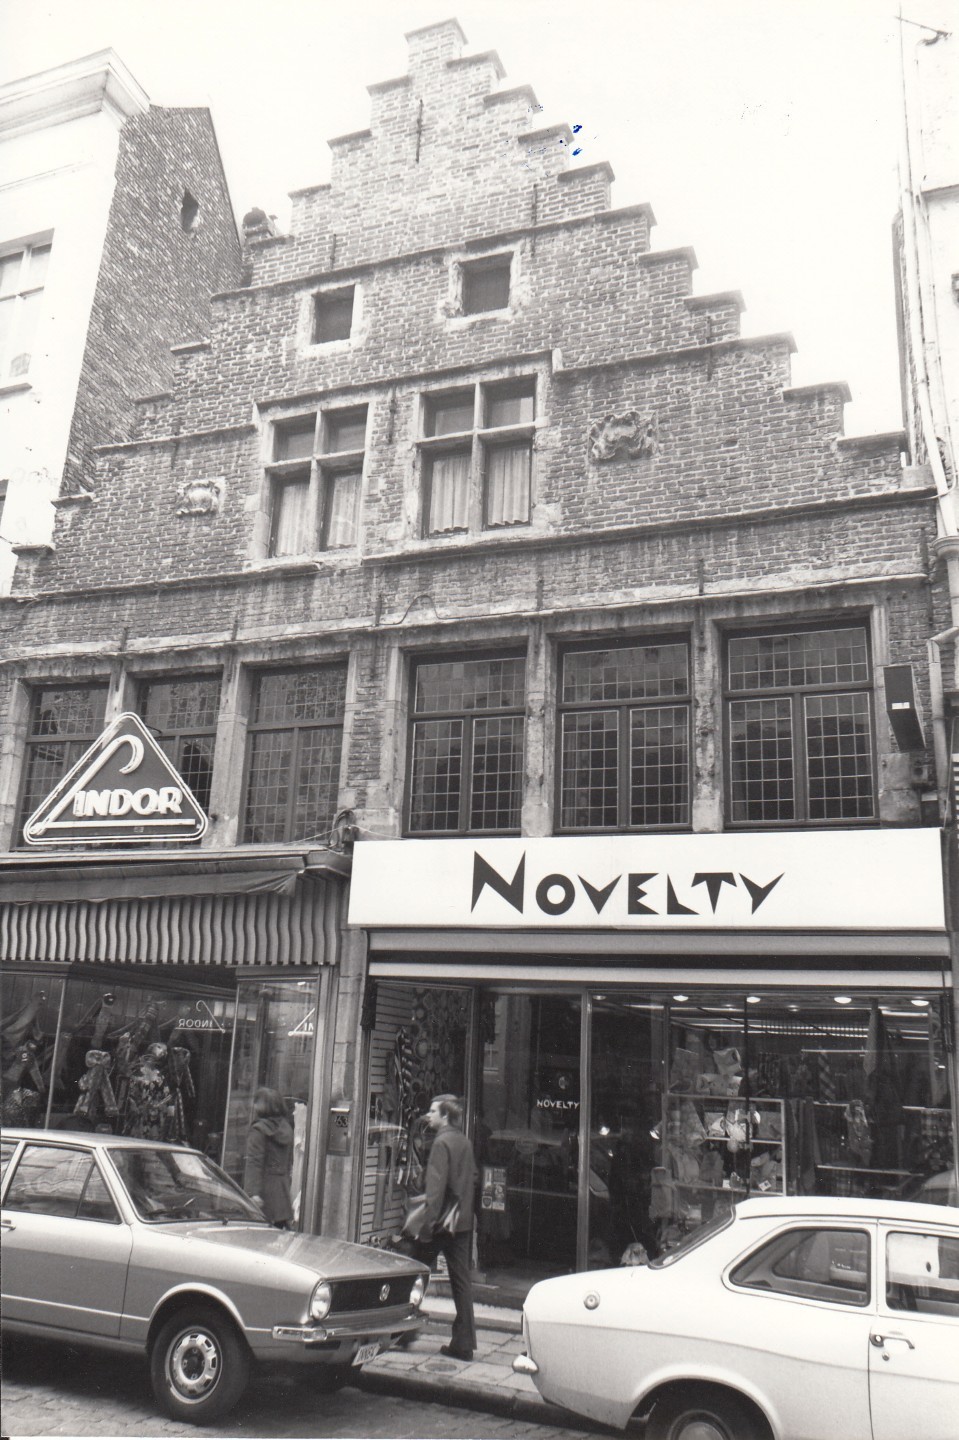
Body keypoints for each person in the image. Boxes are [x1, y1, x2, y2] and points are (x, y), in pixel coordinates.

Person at [410, 1094, 478, 1362]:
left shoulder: (441, 1143)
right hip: (461, 1222)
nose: (428, 1115)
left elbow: (435, 1191)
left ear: (445, 1115)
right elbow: (471, 1179)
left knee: (413, 1273)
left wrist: (427, 1225)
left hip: (440, 1223)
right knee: (462, 1282)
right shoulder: (464, 1141)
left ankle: (402, 1331)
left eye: (433, 1111)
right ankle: (464, 1343)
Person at [243, 1086, 294, 1227]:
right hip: (282, 1192)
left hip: (263, 1191)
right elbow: (289, 1162)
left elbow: (254, 1162)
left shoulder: (259, 1130)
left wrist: (252, 1192)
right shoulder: (287, 1128)